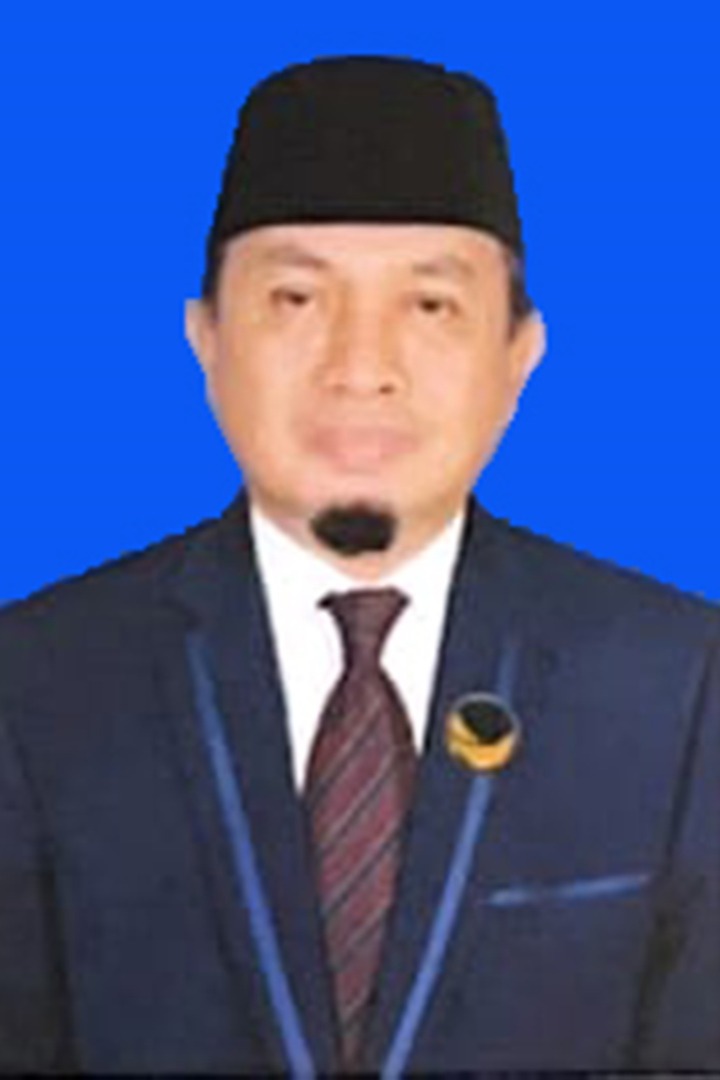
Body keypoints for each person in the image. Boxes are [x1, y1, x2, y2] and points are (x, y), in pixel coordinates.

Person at [1, 55, 719, 1076]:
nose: (360, 367)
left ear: (519, 357)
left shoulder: (676, 684)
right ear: (207, 339)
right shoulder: (38, 684)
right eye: (297, 298)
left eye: (429, 306)